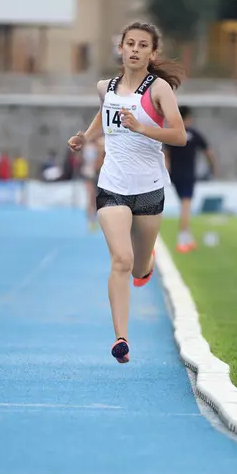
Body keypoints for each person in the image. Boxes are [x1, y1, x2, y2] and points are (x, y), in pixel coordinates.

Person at [68, 21, 186, 364]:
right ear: (120, 49)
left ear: (152, 53)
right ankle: (121, 338)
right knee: (121, 259)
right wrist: (85, 137)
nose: (134, 49)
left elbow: (179, 136)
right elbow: (103, 114)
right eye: (129, 43)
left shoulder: (159, 89)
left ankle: (145, 268)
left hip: (149, 190)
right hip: (112, 187)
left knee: (138, 267)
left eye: (142, 45)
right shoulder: (106, 87)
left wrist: (142, 127)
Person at [164, 106, 216, 253]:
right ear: (188, 118)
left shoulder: (172, 133)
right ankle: (182, 239)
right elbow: (208, 152)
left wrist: (166, 172)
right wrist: (213, 166)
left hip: (175, 175)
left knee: (184, 205)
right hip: (188, 175)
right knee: (186, 206)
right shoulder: (194, 133)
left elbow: (166, 155)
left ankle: (188, 238)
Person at [81, 135, 105, 231]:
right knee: (91, 198)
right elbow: (88, 162)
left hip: (100, 174)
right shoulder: (88, 147)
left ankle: (100, 220)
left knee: (100, 198)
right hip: (90, 174)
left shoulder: (103, 142)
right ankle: (91, 221)